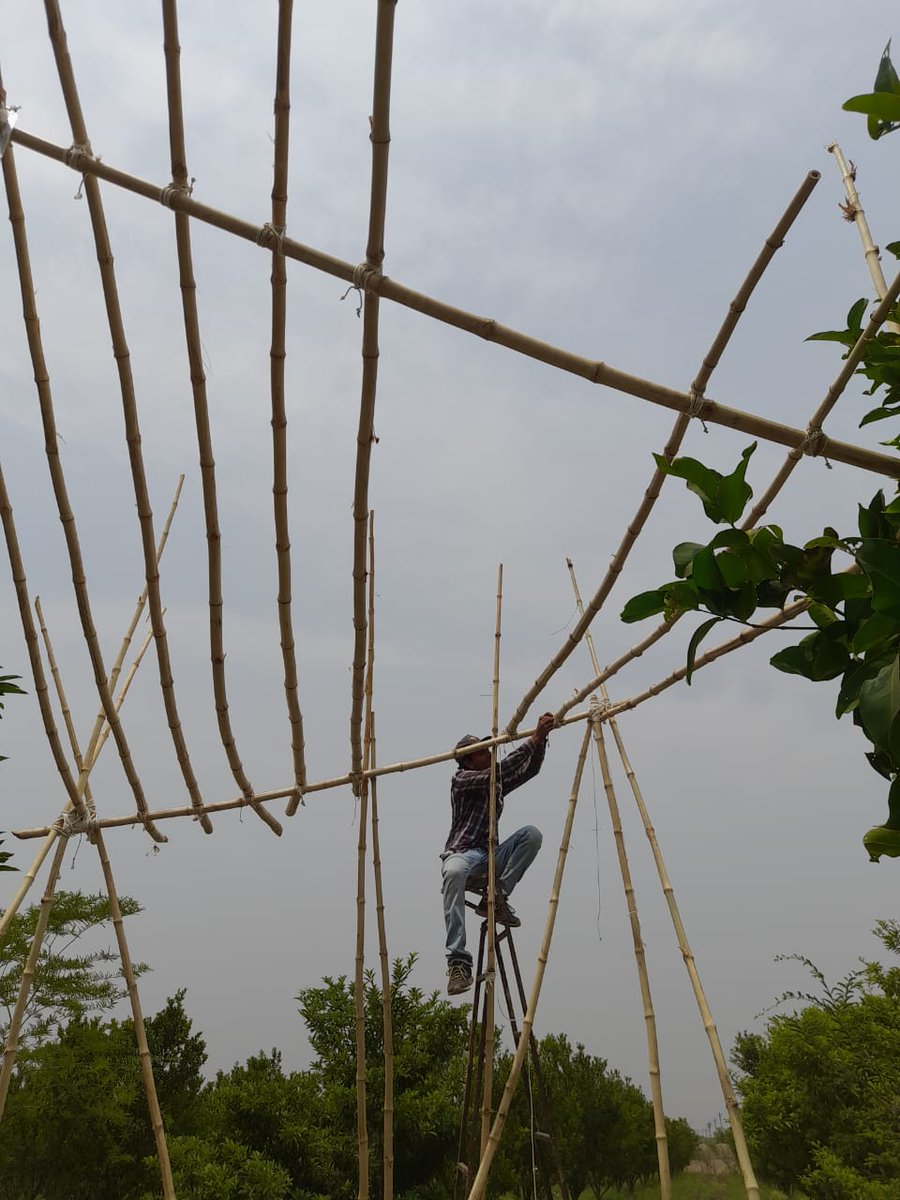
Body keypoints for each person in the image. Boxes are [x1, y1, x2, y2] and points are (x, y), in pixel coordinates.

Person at [441, 712, 555, 996]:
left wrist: (541, 742)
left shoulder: (494, 781)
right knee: (453, 872)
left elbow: (528, 770)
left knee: (531, 835)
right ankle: (458, 960)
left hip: (489, 854)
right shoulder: (462, 779)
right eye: (483, 751)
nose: (489, 754)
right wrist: (534, 738)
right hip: (463, 854)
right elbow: (502, 770)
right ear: (468, 761)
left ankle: (498, 895)